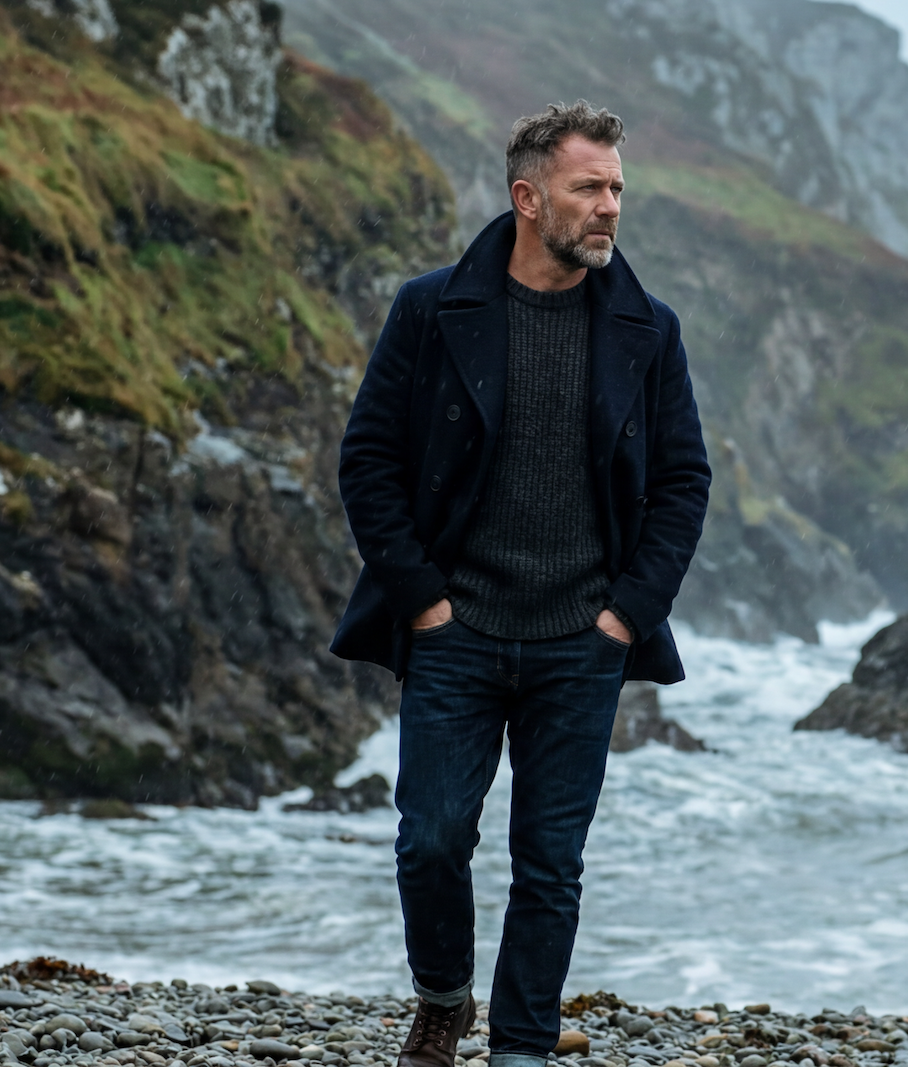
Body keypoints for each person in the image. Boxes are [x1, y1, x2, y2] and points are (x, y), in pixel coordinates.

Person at [331, 100, 711, 1067]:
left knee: (550, 866)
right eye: (589, 187)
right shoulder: (432, 308)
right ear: (526, 196)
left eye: (618, 188)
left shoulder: (647, 330)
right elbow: (368, 459)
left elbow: (681, 482)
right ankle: (443, 998)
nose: (610, 208)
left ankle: (525, 1048)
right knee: (430, 839)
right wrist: (424, 602)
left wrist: (626, 616)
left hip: (580, 642)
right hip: (456, 630)